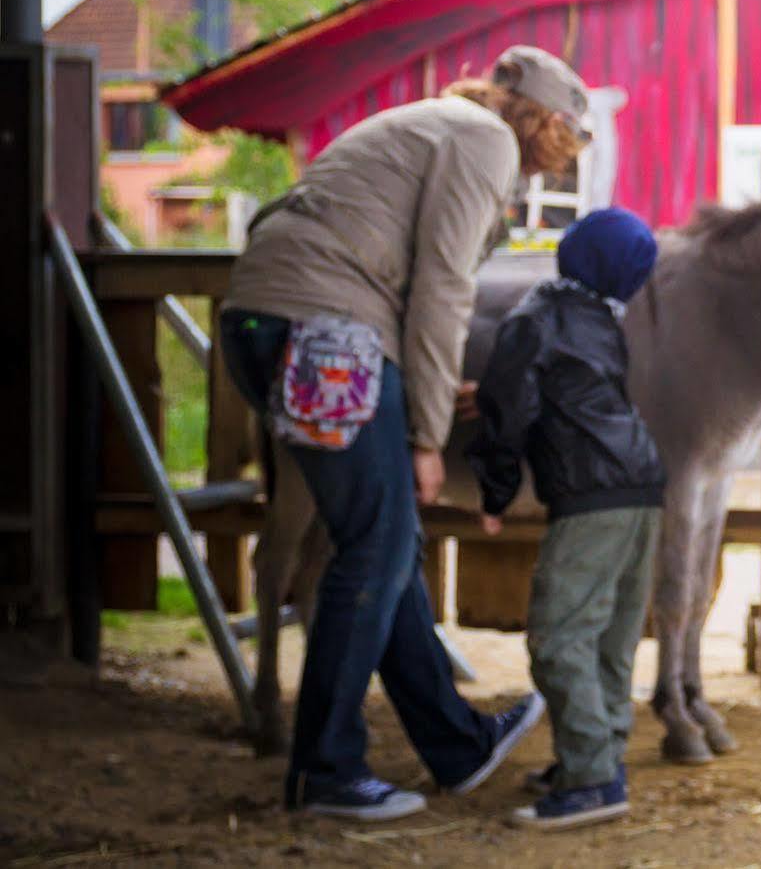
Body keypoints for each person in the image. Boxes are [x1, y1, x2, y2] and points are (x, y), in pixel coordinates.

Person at [219, 46, 590, 821]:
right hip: (325, 329)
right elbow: (443, 285)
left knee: (378, 539)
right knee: (379, 544)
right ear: (548, 123)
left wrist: (413, 384)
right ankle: (326, 770)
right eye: (568, 137)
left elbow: (391, 261)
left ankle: (456, 743)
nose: (560, 158)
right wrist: (426, 432)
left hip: (273, 323)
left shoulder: (435, 121)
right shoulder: (485, 139)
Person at [466, 207, 666, 832]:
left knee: (557, 636)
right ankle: (599, 757)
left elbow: (506, 409)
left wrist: (496, 495)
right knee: (610, 639)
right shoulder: (603, 321)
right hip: (642, 487)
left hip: (591, 494)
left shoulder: (537, 316)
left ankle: (591, 779)